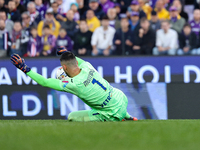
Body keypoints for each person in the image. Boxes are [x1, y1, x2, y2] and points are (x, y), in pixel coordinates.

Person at [10, 50, 137, 122]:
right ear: (76, 62)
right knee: (105, 101)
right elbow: (75, 59)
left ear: (64, 67)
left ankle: (120, 118)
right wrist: (66, 52)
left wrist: (24, 68)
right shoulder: (87, 65)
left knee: (72, 117)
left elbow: (45, 82)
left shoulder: (74, 84)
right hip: (121, 98)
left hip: (112, 113)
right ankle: (129, 117)